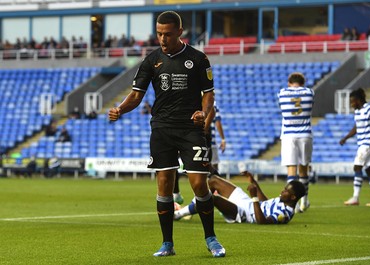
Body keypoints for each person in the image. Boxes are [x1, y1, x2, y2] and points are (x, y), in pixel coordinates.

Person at [108, 11, 225, 258]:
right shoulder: (151, 61)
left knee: (198, 183)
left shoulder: (198, 58)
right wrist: (120, 108)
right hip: (161, 128)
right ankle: (167, 244)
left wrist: (203, 113)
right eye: (159, 34)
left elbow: (209, 94)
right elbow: (137, 95)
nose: (162, 39)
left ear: (180, 32)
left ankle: (211, 238)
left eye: (167, 34)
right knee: (164, 185)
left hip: (190, 129)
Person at [174, 171, 306, 225]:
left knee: (212, 199)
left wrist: (254, 197)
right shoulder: (283, 200)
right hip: (246, 202)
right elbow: (265, 203)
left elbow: (262, 221)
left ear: (293, 197)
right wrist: (254, 182)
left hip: (244, 213)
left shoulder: (285, 214)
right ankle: (190, 208)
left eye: (286, 191)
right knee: (213, 181)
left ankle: (178, 214)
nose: (282, 191)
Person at [340, 88, 370, 207]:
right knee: (369, 170)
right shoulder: (357, 112)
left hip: (367, 144)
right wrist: (346, 138)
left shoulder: (369, 109)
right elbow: (356, 128)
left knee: (357, 167)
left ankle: (355, 197)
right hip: (362, 144)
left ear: (358, 100)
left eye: (352, 102)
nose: (351, 104)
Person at [277, 72, 314, 213]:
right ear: (303, 83)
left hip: (288, 135)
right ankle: (304, 201)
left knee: (291, 170)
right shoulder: (310, 92)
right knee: (304, 168)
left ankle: (294, 204)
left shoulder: (282, 92)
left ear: (289, 82)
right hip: (305, 134)